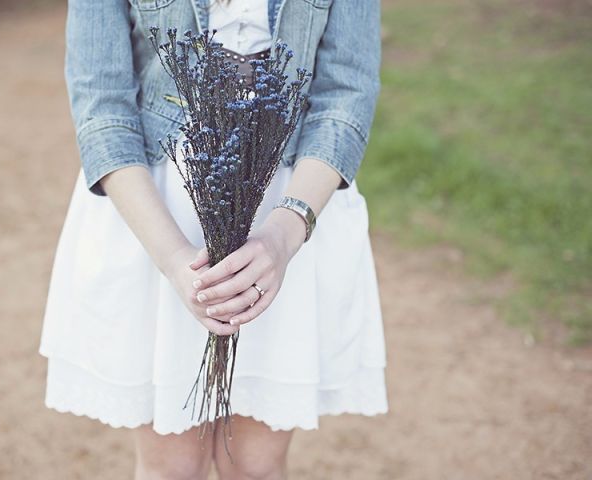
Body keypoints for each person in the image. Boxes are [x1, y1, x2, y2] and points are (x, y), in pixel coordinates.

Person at [38, 0, 388, 478]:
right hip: (156, 211)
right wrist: (175, 259)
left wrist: (284, 235)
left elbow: (347, 90)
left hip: (293, 201)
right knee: (172, 467)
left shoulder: (287, 228)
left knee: (256, 466)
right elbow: (101, 103)